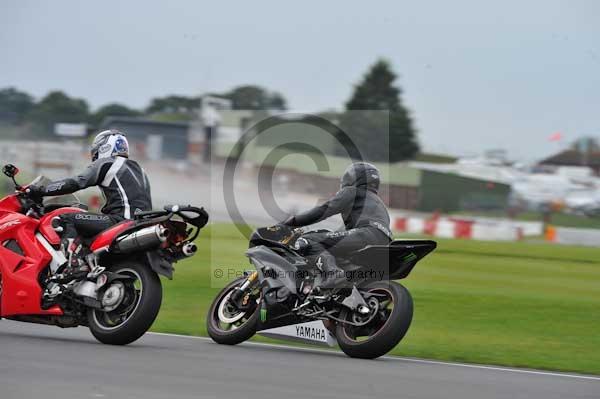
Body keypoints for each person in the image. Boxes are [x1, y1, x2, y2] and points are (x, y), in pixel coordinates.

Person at [29, 129, 152, 280]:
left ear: (104, 147)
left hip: (121, 221)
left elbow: (75, 183)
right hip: (143, 223)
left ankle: (72, 266)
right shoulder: (140, 170)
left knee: (65, 219)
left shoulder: (107, 163)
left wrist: (41, 190)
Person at [283, 162, 392, 290]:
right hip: (385, 241)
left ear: (352, 178)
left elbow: (323, 211)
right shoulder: (379, 203)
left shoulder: (352, 191)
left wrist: (291, 222)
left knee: (309, 240)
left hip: (366, 235)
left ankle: (333, 274)